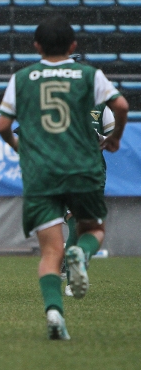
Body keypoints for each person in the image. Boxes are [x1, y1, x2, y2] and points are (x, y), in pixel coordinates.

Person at [0, 15, 128, 340]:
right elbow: (121, 105)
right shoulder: (89, 74)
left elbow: (2, 126)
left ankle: (54, 312)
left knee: (50, 252)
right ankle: (81, 254)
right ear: (73, 45)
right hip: (83, 167)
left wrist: (20, 147)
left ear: (37, 46)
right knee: (94, 228)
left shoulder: (22, 77)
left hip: (41, 171)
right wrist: (114, 139)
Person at [62, 102, 115, 296]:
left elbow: (112, 141)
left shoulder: (102, 109)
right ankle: (72, 279)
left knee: (90, 225)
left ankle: (66, 260)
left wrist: (98, 138)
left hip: (93, 173)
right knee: (76, 222)